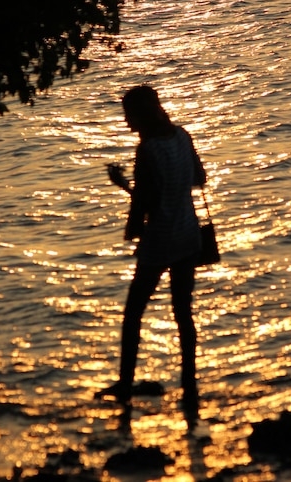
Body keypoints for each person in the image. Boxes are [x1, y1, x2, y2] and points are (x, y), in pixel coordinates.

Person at [100, 85, 207, 416]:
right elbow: (200, 178)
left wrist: (121, 185)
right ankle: (190, 384)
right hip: (189, 236)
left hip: (161, 239)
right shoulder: (183, 137)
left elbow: (145, 202)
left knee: (133, 313)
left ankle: (125, 383)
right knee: (183, 312)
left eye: (128, 114)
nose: (127, 120)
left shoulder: (147, 149)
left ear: (140, 115)